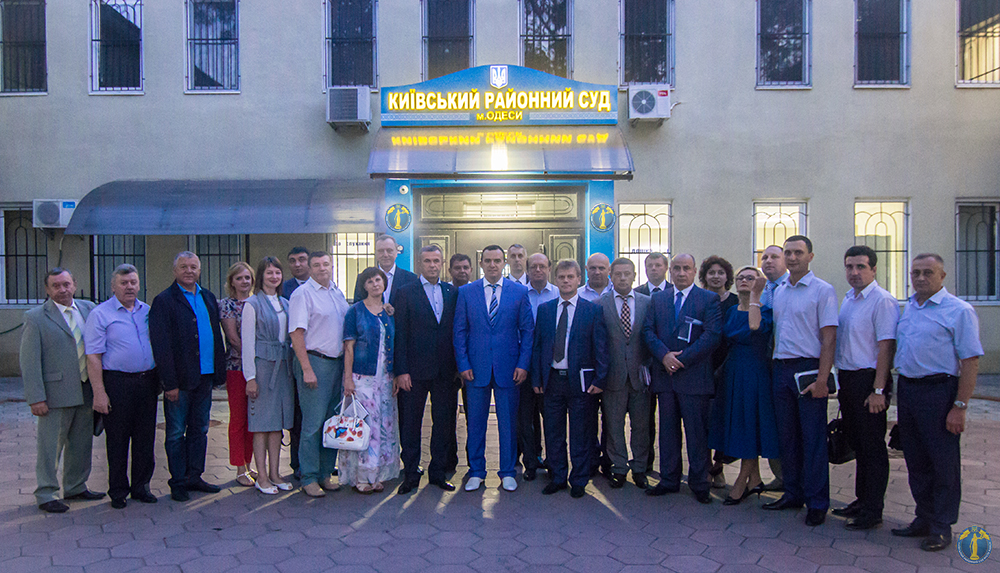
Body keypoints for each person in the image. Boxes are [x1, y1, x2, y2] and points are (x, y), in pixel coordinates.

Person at [892, 253, 983, 552]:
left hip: (939, 392)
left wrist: (960, 406)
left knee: (943, 463)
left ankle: (942, 526)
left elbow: (970, 361)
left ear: (942, 276)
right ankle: (924, 517)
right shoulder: (910, 307)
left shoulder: (959, 311)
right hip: (909, 390)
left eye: (928, 272)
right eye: (915, 272)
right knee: (916, 460)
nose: (920, 278)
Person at [762, 236, 838, 527]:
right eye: (788, 253)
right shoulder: (780, 291)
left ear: (810, 256)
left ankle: (817, 502)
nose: (792, 257)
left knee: (813, 439)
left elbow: (829, 339)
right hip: (780, 368)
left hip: (808, 370)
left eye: (798, 252)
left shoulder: (822, 290)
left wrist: (822, 379)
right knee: (787, 437)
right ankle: (792, 493)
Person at [20, 268, 103, 513]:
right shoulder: (35, 317)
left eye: (66, 284)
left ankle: (76, 486)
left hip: (85, 390)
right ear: (47, 290)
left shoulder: (89, 309)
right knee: (50, 447)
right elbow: (29, 361)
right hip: (54, 394)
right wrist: (36, 398)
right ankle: (46, 493)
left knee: (81, 444)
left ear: (74, 284)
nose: (62, 290)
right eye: (56, 286)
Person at [642, 254, 722, 504]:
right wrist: (664, 356)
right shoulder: (658, 299)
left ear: (694, 271)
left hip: (694, 377)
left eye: (686, 268)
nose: (680, 273)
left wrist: (681, 359)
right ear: (670, 271)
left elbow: (712, 335)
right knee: (668, 432)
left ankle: (699, 483)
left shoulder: (708, 299)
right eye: (676, 268)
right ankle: (669, 479)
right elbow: (648, 331)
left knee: (696, 434)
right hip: (665, 377)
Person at [454, 245, 534, 492]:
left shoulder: (519, 292)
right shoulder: (466, 292)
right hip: (475, 368)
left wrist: (523, 364)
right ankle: (476, 471)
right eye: (487, 260)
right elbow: (459, 331)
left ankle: (507, 471)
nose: (492, 265)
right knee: (475, 423)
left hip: (508, 368)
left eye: (497, 261)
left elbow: (527, 331)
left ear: (504, 263)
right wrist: (463, 364)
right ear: (481, 263)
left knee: (508, 424)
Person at [149, 252, 226, 502]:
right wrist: (169, 383)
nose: (189, 271)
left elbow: (215, 335)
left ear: (199, 270)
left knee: (200, 429)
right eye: (183, 267)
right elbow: (161, 345)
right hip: (179, 381)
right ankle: (178, 482)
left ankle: (195, 476)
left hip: (205, 376)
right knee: (175, 433)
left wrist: (219, 372)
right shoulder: (164, 300)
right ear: (175, 271)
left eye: (193, 267)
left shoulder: (208, 297)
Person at [832, 246, 898, 530]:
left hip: (870, 381)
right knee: (858, 443)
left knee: (872, 447)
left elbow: (886, 347)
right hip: (849, 380)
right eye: (849, 267)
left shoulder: (882, 301)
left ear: (874, 269)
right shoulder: (849, 299)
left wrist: (879, 390)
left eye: (861, 267)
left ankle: (873, 510)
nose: (854, 272)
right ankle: (862, 500)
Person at [532, 259, 608, 498]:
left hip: (581, 382)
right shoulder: (545, 310)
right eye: (562, 277)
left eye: (570, 277)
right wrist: (537, 379)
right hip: (552, 380)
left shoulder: (592, 310)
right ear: (556, 280)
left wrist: (600, 379)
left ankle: (579, 479)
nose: (566, 281)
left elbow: (601, 348)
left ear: (579, 279)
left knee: (580, 433)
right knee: (553, 432)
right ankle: (557, 477)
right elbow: (538, 346)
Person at [84, 264, 158, 509]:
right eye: (124, 283)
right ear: (113, 287)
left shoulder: (147, 311)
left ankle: (141, 487)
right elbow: (93, 356)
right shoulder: (100, 314)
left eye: (133, 282)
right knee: (117, 439)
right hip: (117, 383)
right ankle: (118, 490)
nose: (129, 287)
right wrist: (99, 393)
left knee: (145, 438)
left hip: (146, 382)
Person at [709, 266, 780, 505]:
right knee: (739, 424)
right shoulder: (731, 310)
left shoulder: (765, 310)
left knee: (751, 424)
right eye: (740, 278)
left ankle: (742, 480)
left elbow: (754, 327)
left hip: (754, 372)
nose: (744, 281)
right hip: (732, 371)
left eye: (750, 278)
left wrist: (756, 297)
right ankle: (755, 478)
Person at [394, 245, 459, 494]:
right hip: (413, 372)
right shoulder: (405, 292)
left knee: (443, 423)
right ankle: (411, 473)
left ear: (442, 263)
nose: (432, 265)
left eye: (436, 261)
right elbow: (400, 334)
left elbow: (456, 331)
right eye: (427, 261)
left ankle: (438, 473)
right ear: (420, 264)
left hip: (445, 371)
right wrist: (401, 371)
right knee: (411, 425)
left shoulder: (452, 292)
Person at [288, 251, 351, 497]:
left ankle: (326, 473)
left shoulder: (336, 292)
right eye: (316, 265)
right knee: (313, 425)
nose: (322, 268)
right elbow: (296, 333)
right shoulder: (302, 294)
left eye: (326, 264)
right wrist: (306, 369)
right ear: (310, 268)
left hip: (337, 364)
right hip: (315, 363)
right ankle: (309, 477)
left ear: (332, 265)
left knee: (331, 423)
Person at [341, 266, 401, 493]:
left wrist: (395, 375)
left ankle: (377, 474)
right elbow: (349, 346)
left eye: (378, 280)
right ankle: (361, 477)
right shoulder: (355, 311)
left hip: (385, 377)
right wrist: (348, 379)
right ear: (364, 286)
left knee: (384, 426)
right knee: (365, 426)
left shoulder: (389, 312)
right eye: (370, 281)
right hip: (362, 376)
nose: (375, 284)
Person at [597, 258, 652, 490]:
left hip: (640, 376)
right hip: (613, 376)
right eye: (617, 274)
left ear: (634, 276)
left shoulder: (647, 302)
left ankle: (639, 468)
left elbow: (651, 337)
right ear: (611, 276)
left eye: (626, 274)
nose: (622, 278)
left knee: (641, 426)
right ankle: (619, 468)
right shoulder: (600, 304)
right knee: (614, 425)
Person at [242, 257, 295, 495]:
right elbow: (247, 344)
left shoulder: (286, 302)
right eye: (269, 272)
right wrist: (250, 378)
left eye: (277, 272)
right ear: (261, 276)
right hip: (263, 367)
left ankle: (275, 472)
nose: (274, 277)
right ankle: (261, 475)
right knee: (261, 424)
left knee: (277, 424)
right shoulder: (252, 304)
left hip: (283, 367)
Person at [700, 255, 738, 489]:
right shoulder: (699, 300)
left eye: (720, 273)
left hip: (729, 366)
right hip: (703, 366)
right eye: (711, 272)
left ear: (727, 277)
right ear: (704, 276)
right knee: (703, 420)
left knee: (724, 419)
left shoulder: (735, 302)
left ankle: (719, 466)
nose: (716, 276)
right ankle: (705, 466)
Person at [520, 252, 558, 480]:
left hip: (549, 367)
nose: (538, 270)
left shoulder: (558, 294)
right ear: (527, 270)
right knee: (525, 419)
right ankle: (531, 462)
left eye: (542, 266)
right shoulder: (519, 294)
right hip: (524, 365)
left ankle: (554, 462)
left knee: (551, 418)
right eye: (533, 266)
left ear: (549, 268)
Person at [219, 262, 256, 487]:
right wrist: (251, 358)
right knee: (239, 419)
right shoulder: (227, 305)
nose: (244, 282)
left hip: (258, 370)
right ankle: (240, 468)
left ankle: (250, 464)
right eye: (239, 278)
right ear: (232, 281)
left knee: (254, 419)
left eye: (247, 277)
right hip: (236, 368)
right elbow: (233, 339)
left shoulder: (257, 302)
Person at [635, 251, 670, 470]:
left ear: (666, 268)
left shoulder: (675, 292)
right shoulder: (636, 293)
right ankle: (646, 461)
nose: (654, 269)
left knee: (667, 418)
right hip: (643, 366)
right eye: (650, 265)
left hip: (668, 364)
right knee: (645, 418)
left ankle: (668, 465)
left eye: (658, 265)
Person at [758, 245, 789, 491]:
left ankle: (794, 479)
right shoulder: (763, 290)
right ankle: (781, 476)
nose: (768, 261)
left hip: (788, 363)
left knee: (788, 424)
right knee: (771, 422)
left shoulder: (791, 287)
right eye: (764, 257)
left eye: (774, 257)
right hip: (764, 362)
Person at [283, 247, 310, 480]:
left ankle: (318, 461)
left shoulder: (326, 287)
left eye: (302, 260)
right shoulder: (284, 290)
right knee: (298, 414)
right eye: (293, 261)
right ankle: (298, 463)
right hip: (293, 361)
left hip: (321, 358)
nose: (298, 264)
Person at [352, 235, 418, 304]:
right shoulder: (363, 278)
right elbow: (358, 306)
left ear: (396, 252)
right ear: (375, 253)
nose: (385, 255)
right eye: (381, 251)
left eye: (389, 251)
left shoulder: (411, 279)